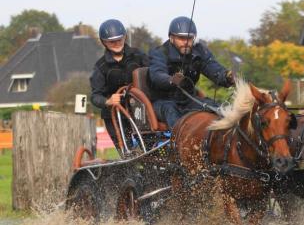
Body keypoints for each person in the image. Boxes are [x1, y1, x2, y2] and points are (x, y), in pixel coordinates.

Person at [149, 16, 234, 128]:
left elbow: (212, 67)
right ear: (171, 37)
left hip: (188, 99)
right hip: (163, 101)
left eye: (190, 38)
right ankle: (179, 144)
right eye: (181, 38)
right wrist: (170, 80)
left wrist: (227, 77)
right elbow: (157, 74)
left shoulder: (198, 52)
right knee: (171, 111)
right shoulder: (160, 53)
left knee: (218, 109)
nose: (186, 42)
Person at [90, 19, 149, 150]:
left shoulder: (139, 56)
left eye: (119, 39)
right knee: (126, 151)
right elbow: (95, 96)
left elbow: (152, 75)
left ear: (125, 37)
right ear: (103, 42)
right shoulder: (100, 67)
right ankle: (129, 167)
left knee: (149, 147)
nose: (117, 43)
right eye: (112, 41)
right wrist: (108, 101)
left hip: (140, 111)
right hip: (114, 116)